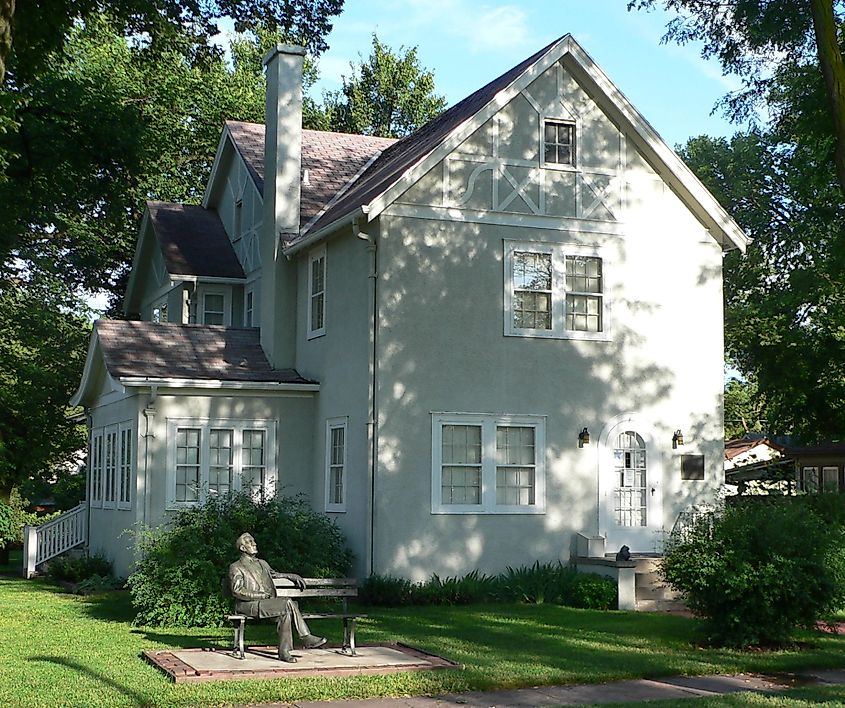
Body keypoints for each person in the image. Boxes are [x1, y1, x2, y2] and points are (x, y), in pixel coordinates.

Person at [228, 532, 326, 662]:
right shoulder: (236, 567)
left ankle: (284, 652)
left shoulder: (263, 563)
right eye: (250, 542)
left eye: (254, 541)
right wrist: (260, 595)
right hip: (248, 605)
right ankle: (305, 636)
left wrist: (291, 576)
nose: (254, 543)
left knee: (285, 612)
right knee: (287, 603)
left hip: (266, 604)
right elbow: (237, 590)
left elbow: (275, 575)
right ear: (242, 548)